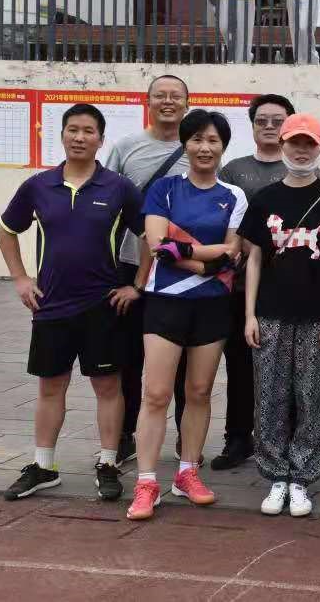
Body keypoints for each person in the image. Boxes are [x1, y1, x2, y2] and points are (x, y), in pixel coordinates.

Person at [0, 105, 143, 503]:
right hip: (52, 306)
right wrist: (21, 278)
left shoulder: (118, 187)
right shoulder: (38, 186)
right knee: (51, 386)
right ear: (62, 135)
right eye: (73, 130)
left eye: (88, 131)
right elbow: (6, 230)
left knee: (108, 386)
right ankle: (44, 466)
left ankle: (108, 463)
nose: (80, 137)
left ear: (101, 139)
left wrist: (137, 285)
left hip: (103, 306)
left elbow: (150, 235)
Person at [127, 110, 248, 521]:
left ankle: (187, 473)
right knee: (156, 394)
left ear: (223, 146)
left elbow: (233, 254)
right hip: (166, 301)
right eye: (197, 139)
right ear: (185, 144)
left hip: (213, 304)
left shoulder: (234, 195)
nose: (204, 147)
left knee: (198, 392)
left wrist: (185, 251)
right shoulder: (165, 189)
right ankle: (146, 482)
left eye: (213, 140)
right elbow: (159, 246)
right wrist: (206, 259)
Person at [240, 114, 320, 518]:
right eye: (294, 143)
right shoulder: (265, 199)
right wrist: (249, 315)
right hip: (270, 314)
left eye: (309, 144)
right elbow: (254, 260)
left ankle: (302, 477)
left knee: (313, 396)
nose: (301, 151)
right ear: (282, 146)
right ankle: (276, 475)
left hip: (317, 318)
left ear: (319, 147)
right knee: (269, 396)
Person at [105, 75, 191, 468]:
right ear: (148, 101)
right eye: (160, 95)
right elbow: (107, 204)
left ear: (187, 103)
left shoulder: (196, 148)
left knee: (182, 360)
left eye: (176, 96)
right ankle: (125, 436)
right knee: (127, 356)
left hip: (179, 269)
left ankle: (185, 438)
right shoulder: (126, 148)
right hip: (128, 264)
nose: (168, 102)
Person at [209, 94, 297, 471]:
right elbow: (223, 220)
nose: (270, 127)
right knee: (240, 365)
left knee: (286, 369)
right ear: (252, 125)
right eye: (262, 120)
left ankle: (284, 439)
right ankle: (238, 438)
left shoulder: (300, 167)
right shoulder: (234, 170)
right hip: (239, 285)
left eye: (278, 121)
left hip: (286, 286)